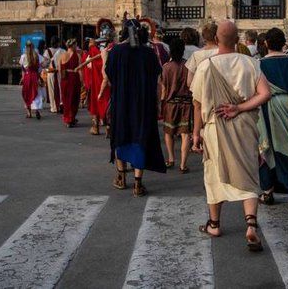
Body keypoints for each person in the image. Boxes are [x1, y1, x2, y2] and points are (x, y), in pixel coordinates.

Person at [190, 19, 271, 252]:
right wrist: (240, 108)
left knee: (214, 175)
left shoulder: (205, 66)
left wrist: (195, 133)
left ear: (216, 39)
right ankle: (251, 225)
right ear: (237, 40)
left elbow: (197, 103)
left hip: (215, 127)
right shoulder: (250, 63)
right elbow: (265, 94)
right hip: (245, 126)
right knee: (248, 173)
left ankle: (214, 224)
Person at [104, 16, 167, 196]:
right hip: (143, 104)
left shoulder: (116, 52)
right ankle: (138, 183)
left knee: (120, 135)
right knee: (140, 138)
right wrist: (158, 103)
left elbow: (109, 78)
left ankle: (121, 176)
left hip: (121, 102)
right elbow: (157, 81)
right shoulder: (148, 53)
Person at [257, 27, 288, 214]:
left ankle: (268, 191)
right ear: (284, 43)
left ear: (266, 44)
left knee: (267, 149)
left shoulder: (259, 65)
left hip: (268, 109)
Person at [160, 37, 192, 172]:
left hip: (170, 104)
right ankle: (183, 164)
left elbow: (163, 89)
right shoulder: (188, 66)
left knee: (169, 132)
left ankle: (171, 158)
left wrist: (161, 104)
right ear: (183, 50)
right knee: (185, 134)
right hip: (186, 104)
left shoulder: (166, 67)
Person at [77, 38, 107, 134]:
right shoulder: (105, 51)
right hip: (104, 82)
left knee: (96, 103)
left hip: (97, 82)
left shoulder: (96, 52)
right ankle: (107, 128)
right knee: (105, 103)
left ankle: (96, 127)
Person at [58, 39, 82, 127]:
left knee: (66, 99)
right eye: (76, 45)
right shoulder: (77, 55)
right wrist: (82, 80)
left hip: (64, 79)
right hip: (74, 78)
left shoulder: (61, 55)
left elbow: (59, 69)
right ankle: (71, 118)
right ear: (73, 45)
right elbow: (80, 69)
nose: (77, 46)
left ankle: (67, 118)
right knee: (74, 98)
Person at [20, 41, 43, 119]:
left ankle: (29, 113)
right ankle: (36, 110)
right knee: (36, 93)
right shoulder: (37, 56)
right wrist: (39, 77)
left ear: (26, 47)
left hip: (27, 76)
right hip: (35, 76)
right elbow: (40, 68)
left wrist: (22, 78)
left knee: (27, 94)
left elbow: (23, 69)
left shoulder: (23, 56)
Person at [43, 38, 60, 112]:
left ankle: (53, 107)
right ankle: (60, 105)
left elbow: (44, 64)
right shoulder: (62, 51)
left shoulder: (47, 51)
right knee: (60, 90)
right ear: (58, 43)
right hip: (59, 73)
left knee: (51, 91)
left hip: (51, 73)